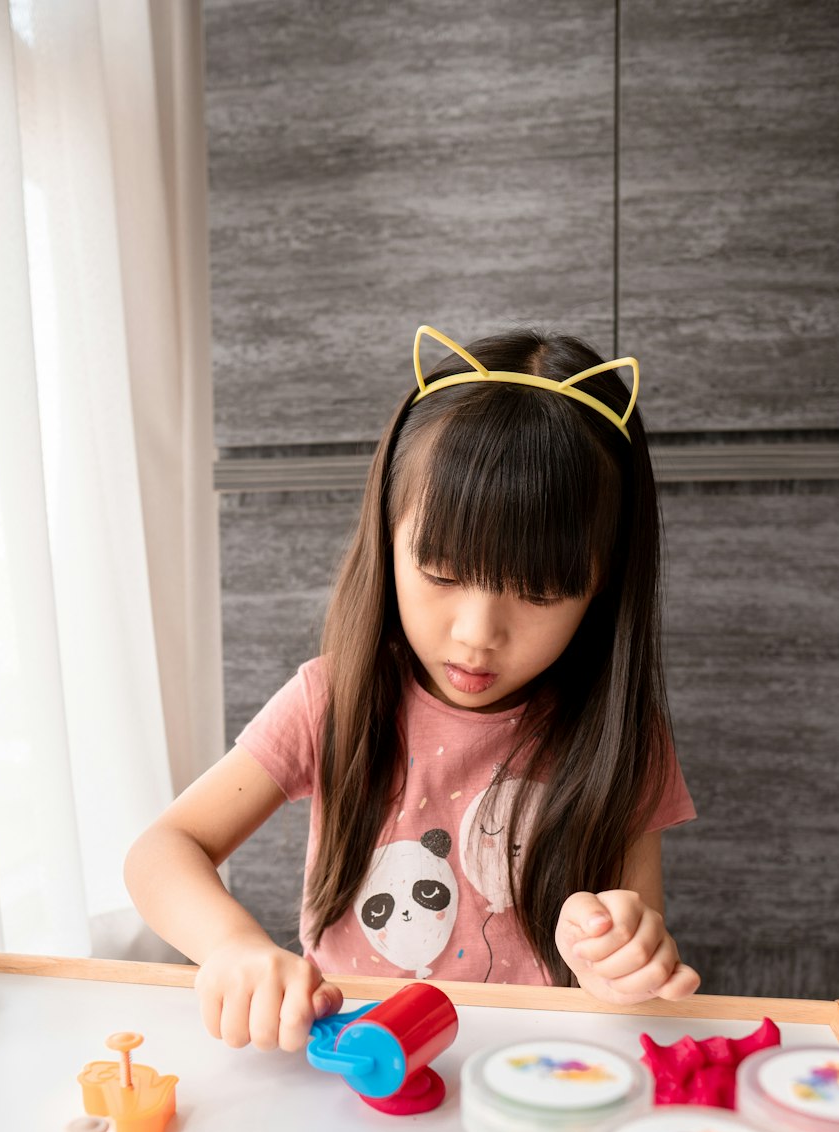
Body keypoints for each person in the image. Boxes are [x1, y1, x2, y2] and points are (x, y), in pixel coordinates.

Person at [125, 323, 700, 1052]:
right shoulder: (333, 699)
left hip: (524, 1073)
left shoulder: (622, 735)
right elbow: (162, 849)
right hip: (347, 1058)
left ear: (602, 589)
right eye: (441, 572)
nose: (476, 633)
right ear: (386, 535)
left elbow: (630, 944)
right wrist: (233, 946)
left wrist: (619, 957)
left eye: (540, 592)